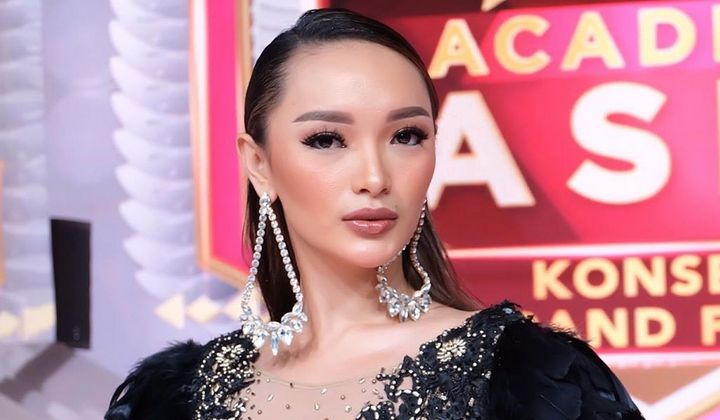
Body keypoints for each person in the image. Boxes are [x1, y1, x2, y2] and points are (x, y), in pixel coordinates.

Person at [105, 8, 643, 420]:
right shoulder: (173, 398)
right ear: (259, 165)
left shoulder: (528, 378)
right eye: (326, 139)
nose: (375, 176)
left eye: (406, 136)